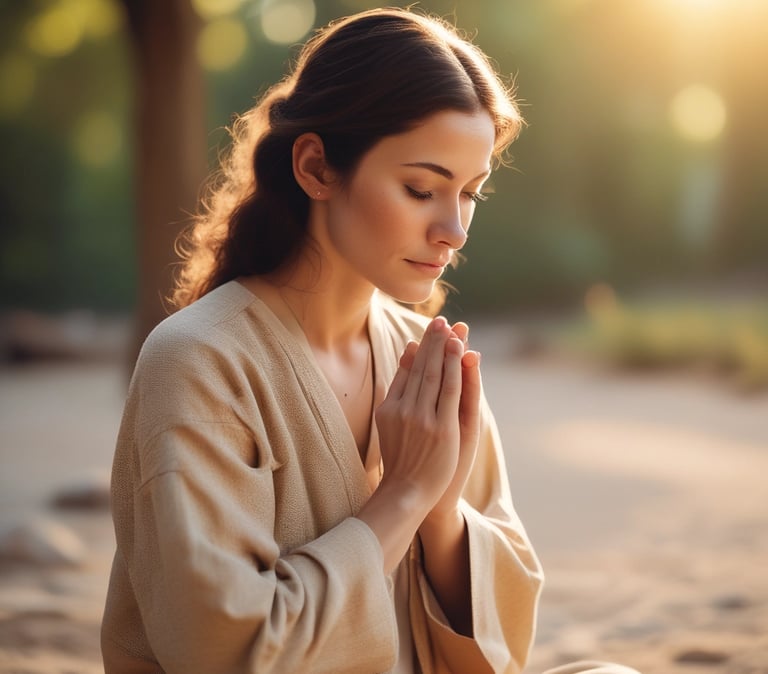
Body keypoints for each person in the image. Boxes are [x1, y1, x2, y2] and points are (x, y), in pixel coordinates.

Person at [101, 7, 640, 674]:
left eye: (472, 193)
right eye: (421, 189)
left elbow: (505, 641)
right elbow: (226, 651)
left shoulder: (427, 358)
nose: (455, 229)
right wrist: (404, 496)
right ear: (317, 168)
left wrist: (443, 516)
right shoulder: (198, 361)